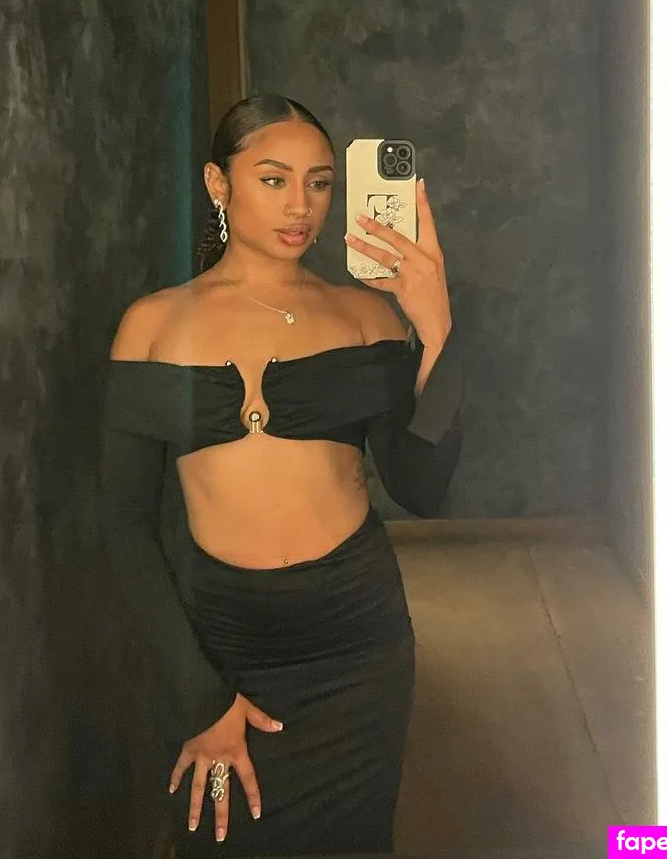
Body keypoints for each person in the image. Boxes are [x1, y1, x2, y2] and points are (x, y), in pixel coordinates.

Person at [99, 94, 463, 857]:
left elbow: (421, 488)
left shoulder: (365, 316)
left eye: (319, 183)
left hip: (359, 642)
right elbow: (124, 526)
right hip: (227, 641)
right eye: (273, 179)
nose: (301, 205)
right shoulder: (152, 325)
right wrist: (200, 696)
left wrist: (435, 334)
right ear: (218, 184)